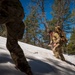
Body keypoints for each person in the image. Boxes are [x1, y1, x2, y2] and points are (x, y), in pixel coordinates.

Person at [0, 0, 33, 75]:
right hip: (18, 14)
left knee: (12, 43)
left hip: (7, 9)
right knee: (12, 43)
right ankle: (25, 68)